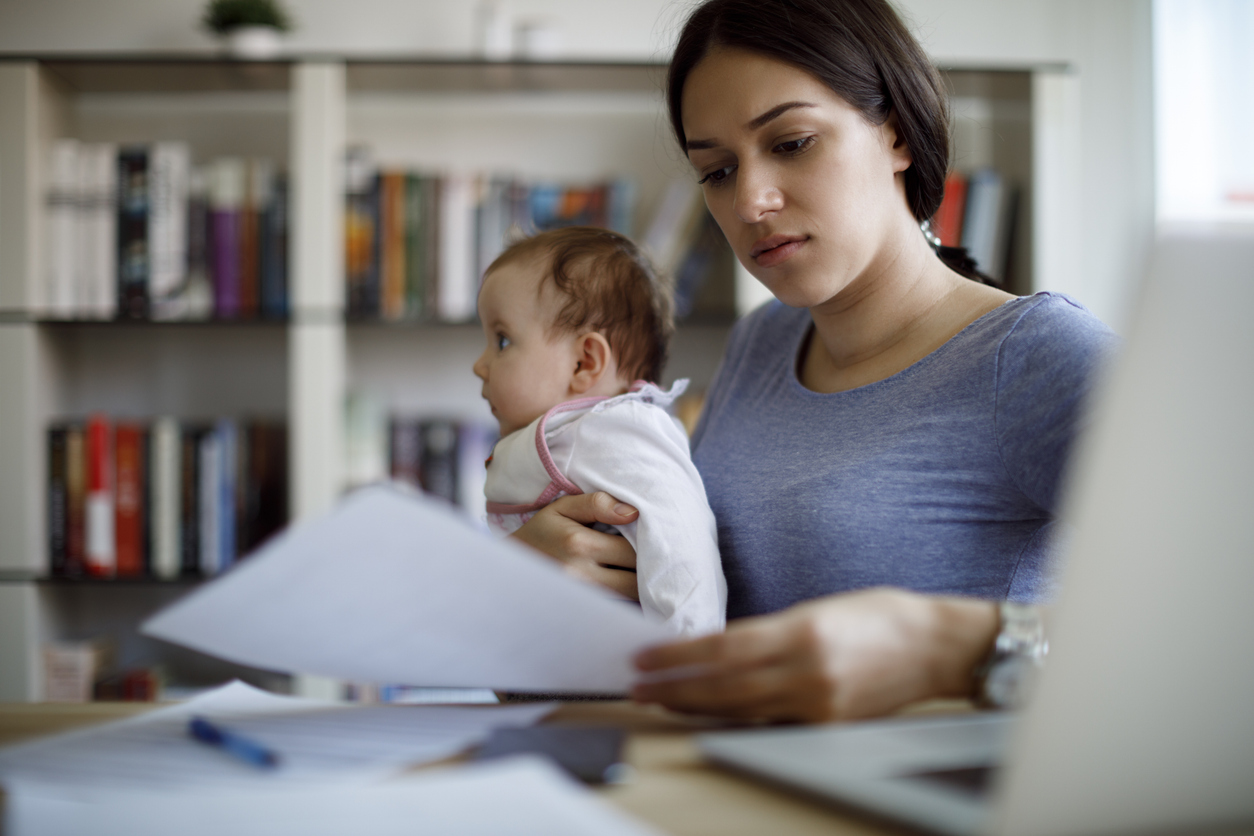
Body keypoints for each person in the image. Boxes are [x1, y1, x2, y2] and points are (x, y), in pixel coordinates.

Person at [511, 0, 1121, 722]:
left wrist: (950, 648)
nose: (752, 201)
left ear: (895, 131)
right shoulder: (760, 344)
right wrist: (552, 588)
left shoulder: (1037, 357)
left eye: (793, 142)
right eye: (717, 170)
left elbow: (1215, 622)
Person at [474, 226, 726, 637]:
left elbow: (679, 537)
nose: (479, 365)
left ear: (584, 363)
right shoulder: (571, 434)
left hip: (632, 680)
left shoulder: (616, 432)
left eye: (501, 342)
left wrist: (689, 659)